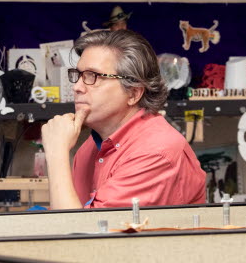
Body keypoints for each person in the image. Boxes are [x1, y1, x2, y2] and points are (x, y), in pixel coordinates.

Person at [41, 29, 206, 209]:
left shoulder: (156, 152)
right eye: (78, 75)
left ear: (133, 93)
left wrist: (56, 153)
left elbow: (79, 234)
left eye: (92, 76)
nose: (77, 87)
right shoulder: (90, 147)